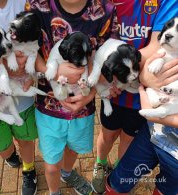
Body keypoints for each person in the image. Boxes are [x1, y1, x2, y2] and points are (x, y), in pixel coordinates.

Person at [26, 0, 119, 194]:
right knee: (51, 164)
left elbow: (107, 57)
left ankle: (67, 173)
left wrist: (90, 94)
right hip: (48, 108)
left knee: (74, 148)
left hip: (83, 106)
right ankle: (54, 191)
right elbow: (26, 47)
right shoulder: (36, 5)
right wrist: (52, 71)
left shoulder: (105, 10)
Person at [91, 0, 178, 194]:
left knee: (128, 141)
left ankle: (121, 175)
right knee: (107, 134)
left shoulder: (165, 3)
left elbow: (158, 47)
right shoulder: (100, 5)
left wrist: (128, 72)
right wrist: (104, 76)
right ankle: (100, 164)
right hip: (114, 90)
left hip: (141, 96)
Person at [0, 1, 38, 194]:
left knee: (26, 138)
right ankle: (9, 155)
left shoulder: (25, 3)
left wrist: (33, 74)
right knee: (3, 146)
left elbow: (39, 44)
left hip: (20, 96)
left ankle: (29, 169)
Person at [105, 52, 178, 195]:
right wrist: (145, 77)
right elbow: (148, 70)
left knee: (166, 190)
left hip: (173, 153)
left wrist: (160, 117)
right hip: (152, 133)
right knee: (119, 181)